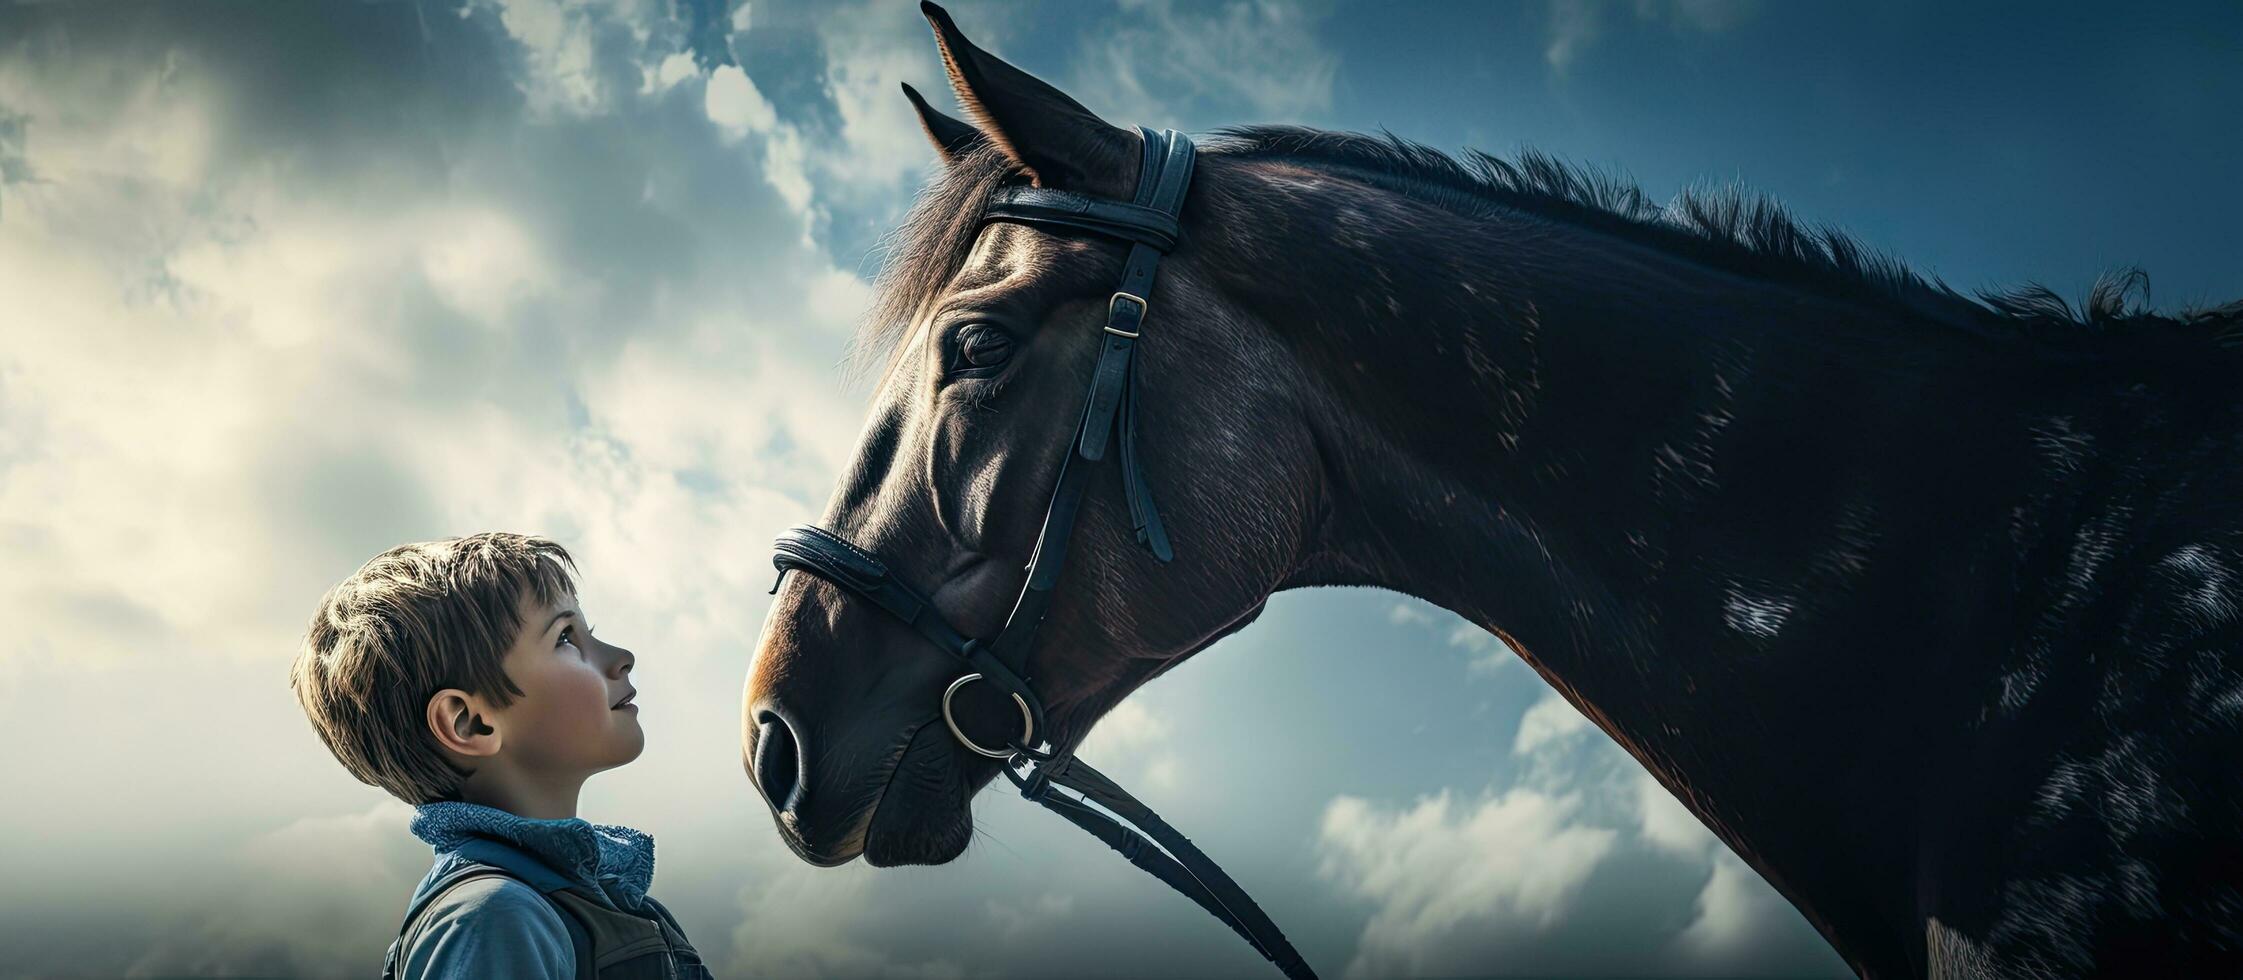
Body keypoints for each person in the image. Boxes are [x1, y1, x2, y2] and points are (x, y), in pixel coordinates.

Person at [289, 532, 710, 979]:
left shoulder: (608, 901)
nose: (622, 658)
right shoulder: (491, 917)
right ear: (470, 723)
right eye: (565, 637)